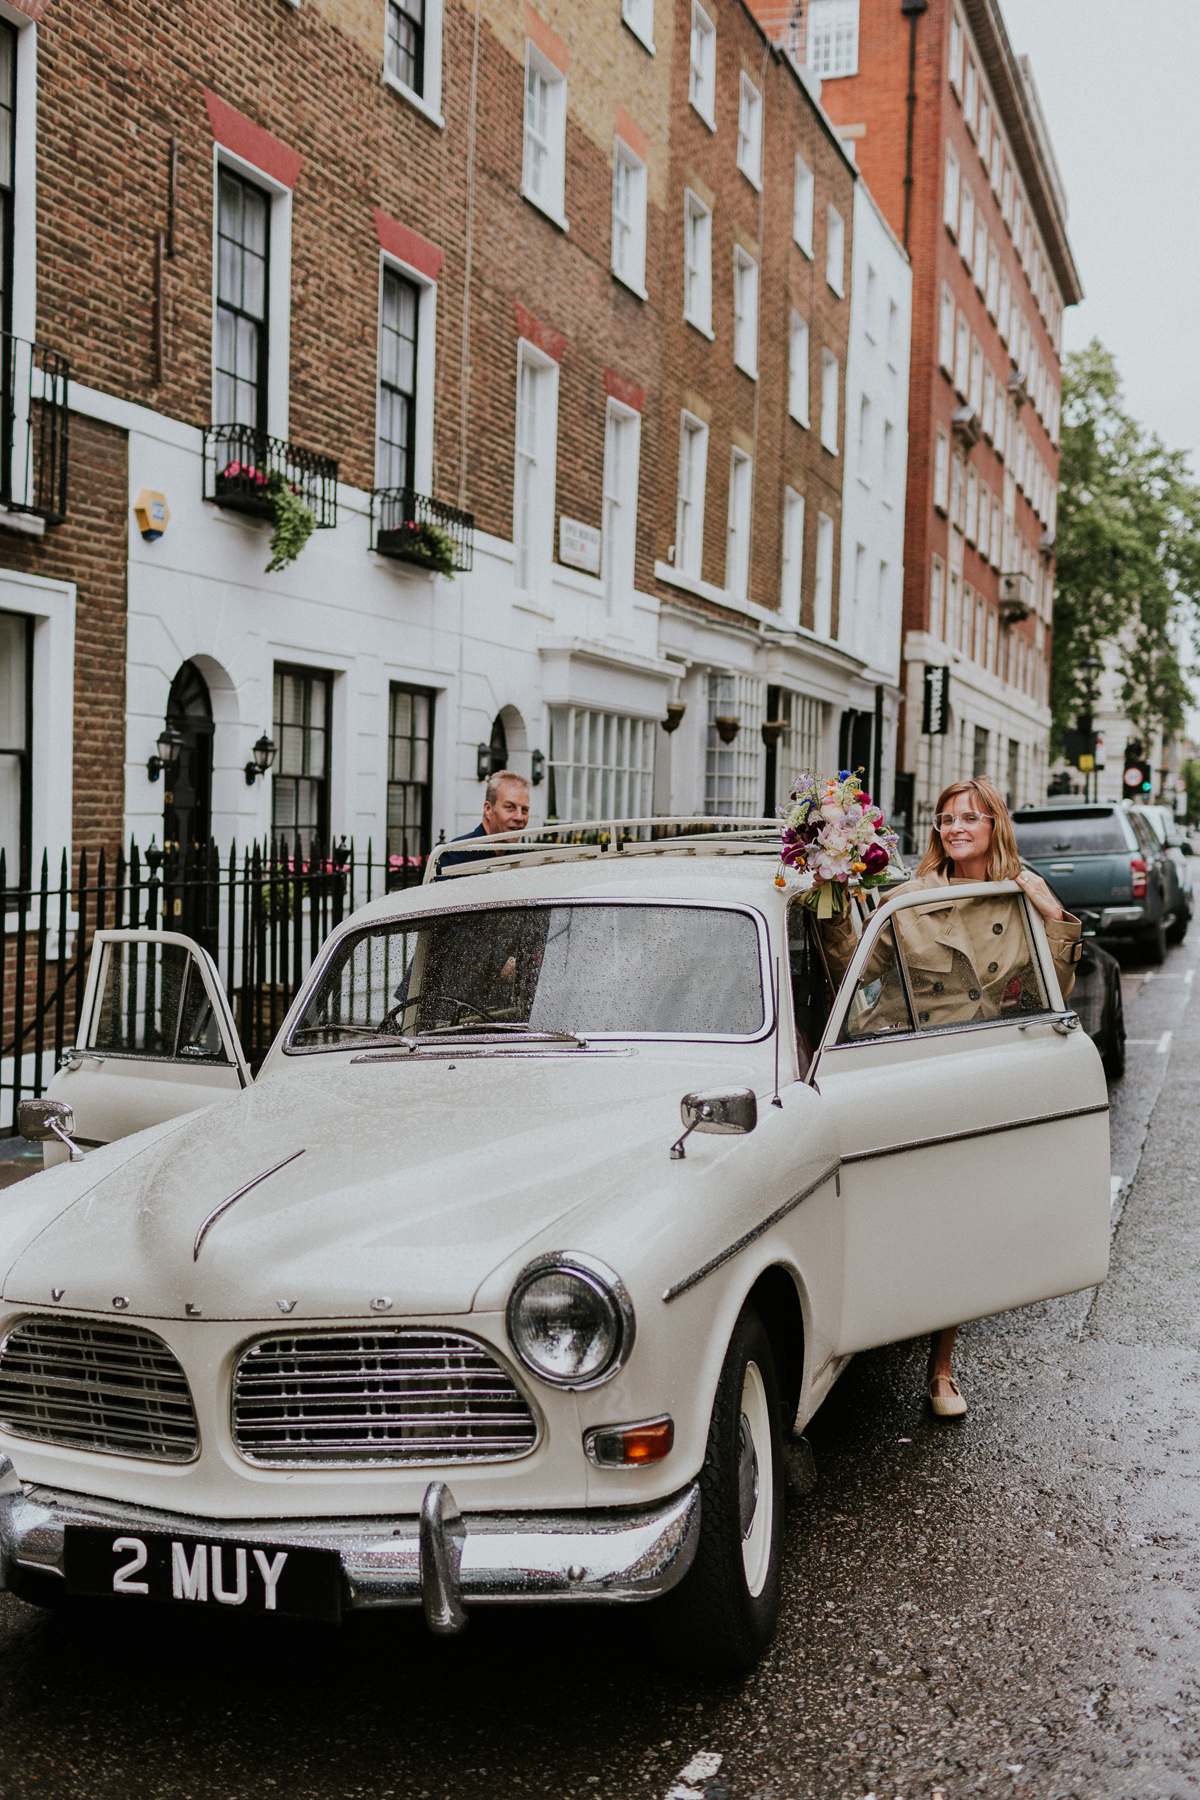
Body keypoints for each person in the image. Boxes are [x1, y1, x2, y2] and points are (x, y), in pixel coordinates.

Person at [820, 776, 1081, 1420]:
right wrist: (832, 901)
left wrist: (1054, 914)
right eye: (945, 819)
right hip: (903, 1059)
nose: (955, 827)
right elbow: (852, 972)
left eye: (970, 817)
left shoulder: (1016, 898)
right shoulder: (909, 900)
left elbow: (1056, 989)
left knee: (957, 1217)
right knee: (887, 1205)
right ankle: (861, 1327)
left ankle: (941, 1370)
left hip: (971, 1067)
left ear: (995, 824)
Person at [437, 770, 531, 876]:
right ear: (488, 809)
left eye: (524, 810)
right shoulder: (455, 856)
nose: (519, 817)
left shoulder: (523, 859)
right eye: (510, 807)